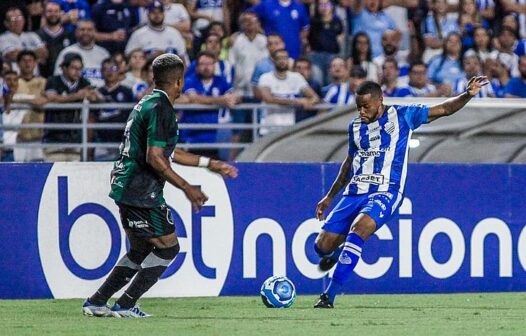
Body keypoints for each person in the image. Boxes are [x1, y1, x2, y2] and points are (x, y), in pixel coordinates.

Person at [82, 53, 238, 318]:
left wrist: (210, 164)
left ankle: (97, 302)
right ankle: (126, 304)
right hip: (140, 189)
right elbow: (155, 157)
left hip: (127, 184)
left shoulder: (147, 103)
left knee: (141, 249)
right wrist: (187, 187)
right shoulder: (161, 108)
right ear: (179, 81)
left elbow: (169, 152)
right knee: (169, 247)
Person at [313, 76, 489, 308]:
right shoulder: (355, 127)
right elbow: (349, 162)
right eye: (358, 107)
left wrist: (467, 94)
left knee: (360, 227)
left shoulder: (403, 115)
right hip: (354, 192)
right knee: (321, 246)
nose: (362, 112)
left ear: (380, 101)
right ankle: (336, 253)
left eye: (366, 106)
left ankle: (328, 296)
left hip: (387, 191)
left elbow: (445, 109)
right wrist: (330, 196)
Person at [181, 51, 240, 160]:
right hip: (192, 135)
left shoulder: (220, 81)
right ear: (197, 67)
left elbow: (232, 97)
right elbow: (194, 98)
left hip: (215, 136)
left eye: (209, 64)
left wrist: (232, 99)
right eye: (203, 64)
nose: (206, 67)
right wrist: (221, 100)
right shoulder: (190, 80)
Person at [44, 52, 98, 162]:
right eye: (73, 68)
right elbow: (52, 98)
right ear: (64, 67)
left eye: (79, 68)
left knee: (74, 174)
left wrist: (93, 96)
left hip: (75, 138)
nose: (77, 72)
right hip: (54, 137)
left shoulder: (84, 82)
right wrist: (77, 95)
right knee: (53, 173)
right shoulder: (53, 81)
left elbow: (94, 98)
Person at [257, 48, 319, 135]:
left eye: (285, 58)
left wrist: (310, 102)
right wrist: (297, 101)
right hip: (268, 127)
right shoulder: (265, 78)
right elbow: (268, 99)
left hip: (289, 127)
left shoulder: (296, 77)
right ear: (273, 61)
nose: (282, 61)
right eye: (279, 58)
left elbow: (314, 96)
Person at [89, 57, 135, 161]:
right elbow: (91, 119)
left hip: (122, 141)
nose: (109, 72)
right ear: (101, 72)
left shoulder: (127, 92)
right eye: (106, 69)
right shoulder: (96, 93)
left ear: (118, 70)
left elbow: (133, 118)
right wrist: (89, 148)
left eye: (113, 69)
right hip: (102, 141)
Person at [54, 20, 111, 87]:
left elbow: (111, 78)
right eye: (82, 30)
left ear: (95, 32)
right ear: (76, 32)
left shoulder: (104, 54)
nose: (85, 33)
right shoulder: (66, 52)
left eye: (89, 30)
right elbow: (58, 79)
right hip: (76, 94)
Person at [0, 7, 48, 71]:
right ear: (6, 23)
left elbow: (44, 53)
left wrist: (20, 52)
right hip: (14, 77)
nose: (17, 21)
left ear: (24, 20)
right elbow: (12, 55)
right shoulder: (3, 38)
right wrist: (34, 52)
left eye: (19, 17)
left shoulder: (32, 35)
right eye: (13, 19)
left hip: (35, 78)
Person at [37, 1, 76, 78]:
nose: (53, 14)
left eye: (56, 11)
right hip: (42, 77)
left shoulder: (70, 35)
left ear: (61, 13)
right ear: (44, 13)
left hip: (64, 78)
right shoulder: (36, 35)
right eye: (49, 11)